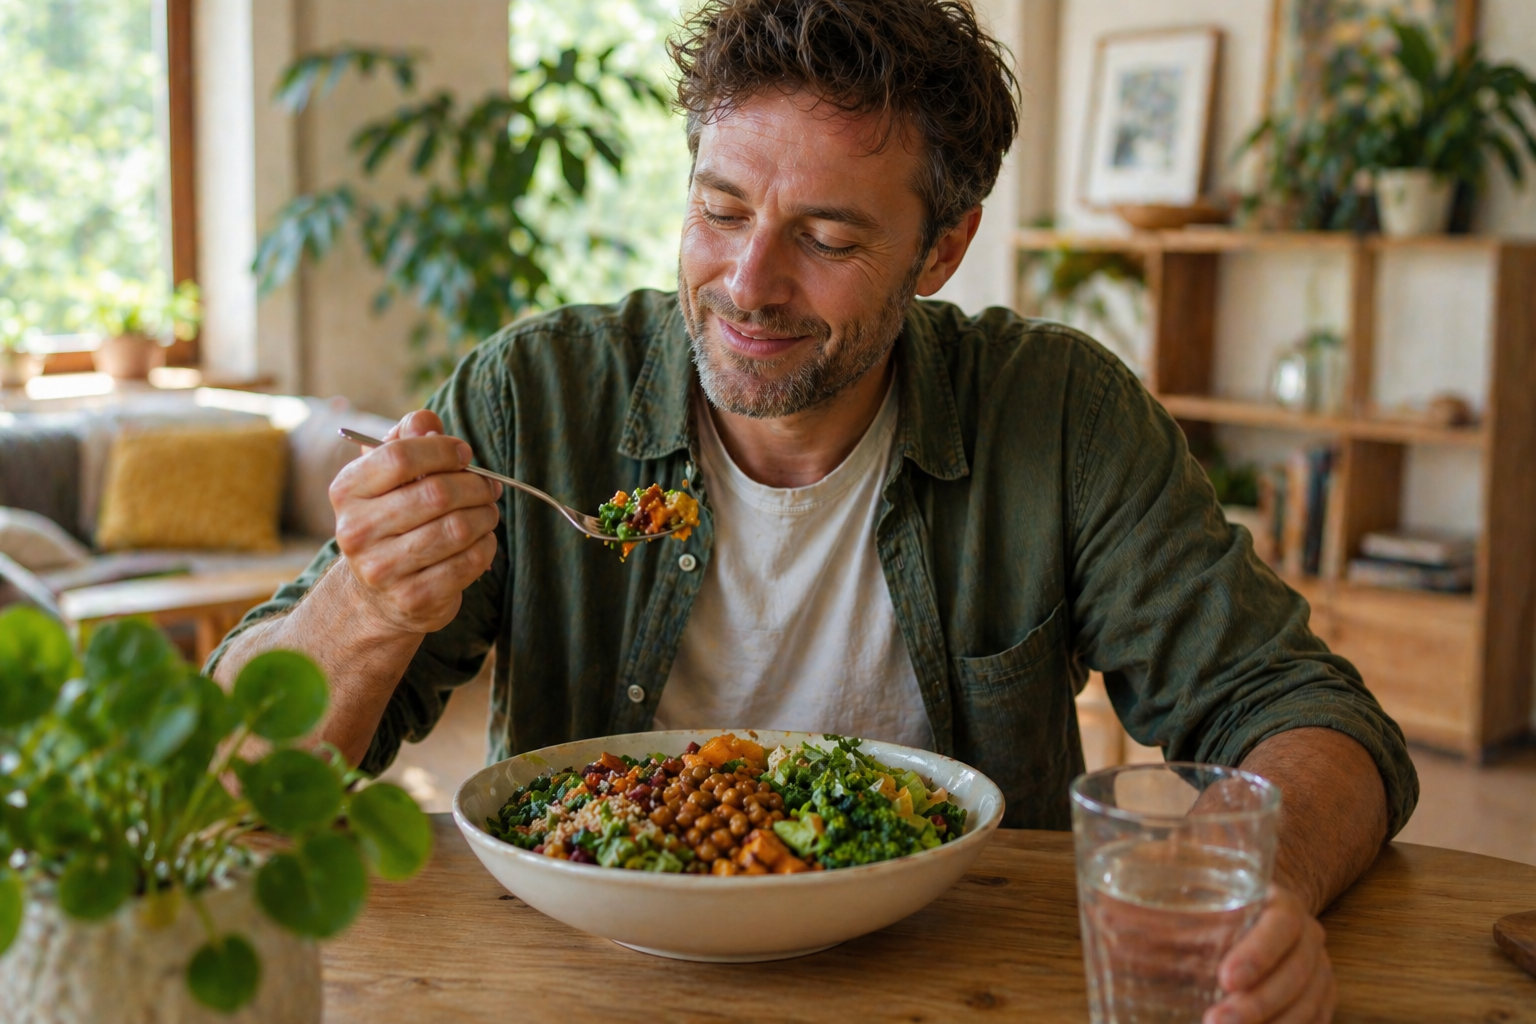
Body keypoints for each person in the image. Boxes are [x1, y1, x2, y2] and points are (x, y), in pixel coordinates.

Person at [210, 2, 1417, 1020]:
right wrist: (363, 607)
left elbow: (1309, 714)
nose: (748, 285)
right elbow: (224, 783)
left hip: (956, 984)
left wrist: (1257, 880)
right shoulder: (535, 398)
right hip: (587, 988)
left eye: (828, 236)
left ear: (942, 250)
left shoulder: (1056, 415)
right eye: (722, 211)